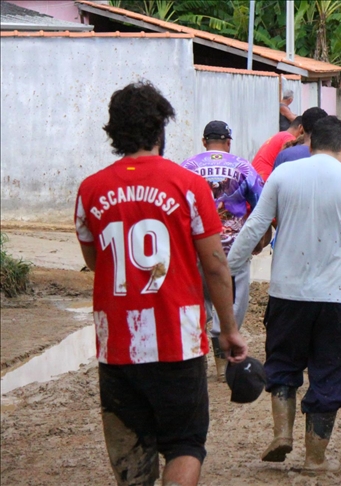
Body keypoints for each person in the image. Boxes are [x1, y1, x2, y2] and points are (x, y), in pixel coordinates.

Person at [75, 81, 248, 485]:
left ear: (114, 134)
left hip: (117, 346)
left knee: (133, 463)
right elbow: (216, 265)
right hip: (177, 342)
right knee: (185, 444)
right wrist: (229, 329)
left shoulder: (90, 191)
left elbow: (95, 261)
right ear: (161, 130)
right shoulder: (188, 186)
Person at [227, 116, 341, 474]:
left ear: (309, 144)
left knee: (284, 363)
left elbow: (254, 227)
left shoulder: (283, 176)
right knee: (331, 373)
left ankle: (282, 433)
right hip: (337, 298)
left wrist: (228, 269)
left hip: (288, 293)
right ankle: (315, 457)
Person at [181, 120, 265, 381]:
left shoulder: (188, 167)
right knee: (233, 303)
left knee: (199, 302)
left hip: (195, 248)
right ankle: (222, 365)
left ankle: (197, 358)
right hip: (233, 251)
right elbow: (262, 203)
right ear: (228, 142)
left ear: (204, 141)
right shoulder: (242, 167)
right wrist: (260, 239)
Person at [252, 116, 303, 182]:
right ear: (301, 128)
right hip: (264, 180)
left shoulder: (280, 135)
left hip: (255, 177)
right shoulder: (289, 138)